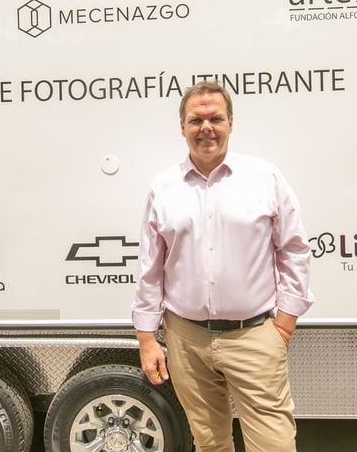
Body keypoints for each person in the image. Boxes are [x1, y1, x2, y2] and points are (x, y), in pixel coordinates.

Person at [131, 80, 314, 452]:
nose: (206, 128)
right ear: (181, 127)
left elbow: (293, 250)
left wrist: (285, 324)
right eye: (196, 120)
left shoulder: (265, 178)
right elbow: (151, 267)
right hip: (187, 339)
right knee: (210, 443)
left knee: (274, 445)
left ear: (231, 122)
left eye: (215, 118)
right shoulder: (163, 187)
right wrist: (147, 338)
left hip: (255, 336)